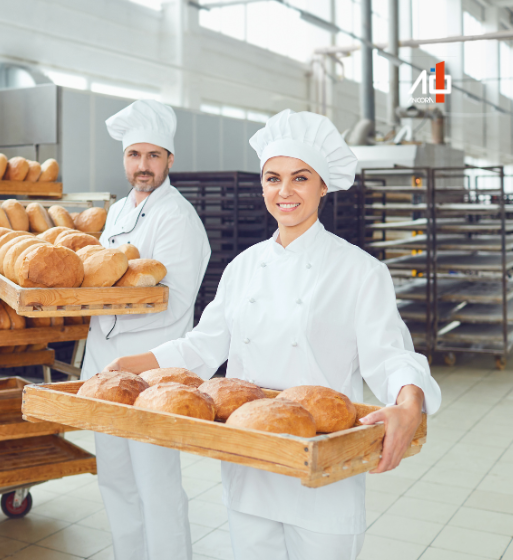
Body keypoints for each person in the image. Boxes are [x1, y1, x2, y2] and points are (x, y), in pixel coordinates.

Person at [104, 109, 442, 560]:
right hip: (249, 463)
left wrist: (409, 402)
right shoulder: (244, 266)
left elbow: (390, 354)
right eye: (272, 178)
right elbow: (202, 346)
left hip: (321, 471)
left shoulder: (359, 271)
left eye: (300, 178)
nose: (284, 191)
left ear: (323, 185)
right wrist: (129, 365)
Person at [80, 99, 211, 560]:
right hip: (102, 363)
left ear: (170, 160)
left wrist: (104, 300)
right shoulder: (116, 213)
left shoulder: (178, 217)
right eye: (135, 155)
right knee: (114, 476)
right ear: (124, 159)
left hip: (151, 366)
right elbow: (99, 276)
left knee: (156, 481)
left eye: (153, 156)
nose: (143, 165)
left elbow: (173, 300)